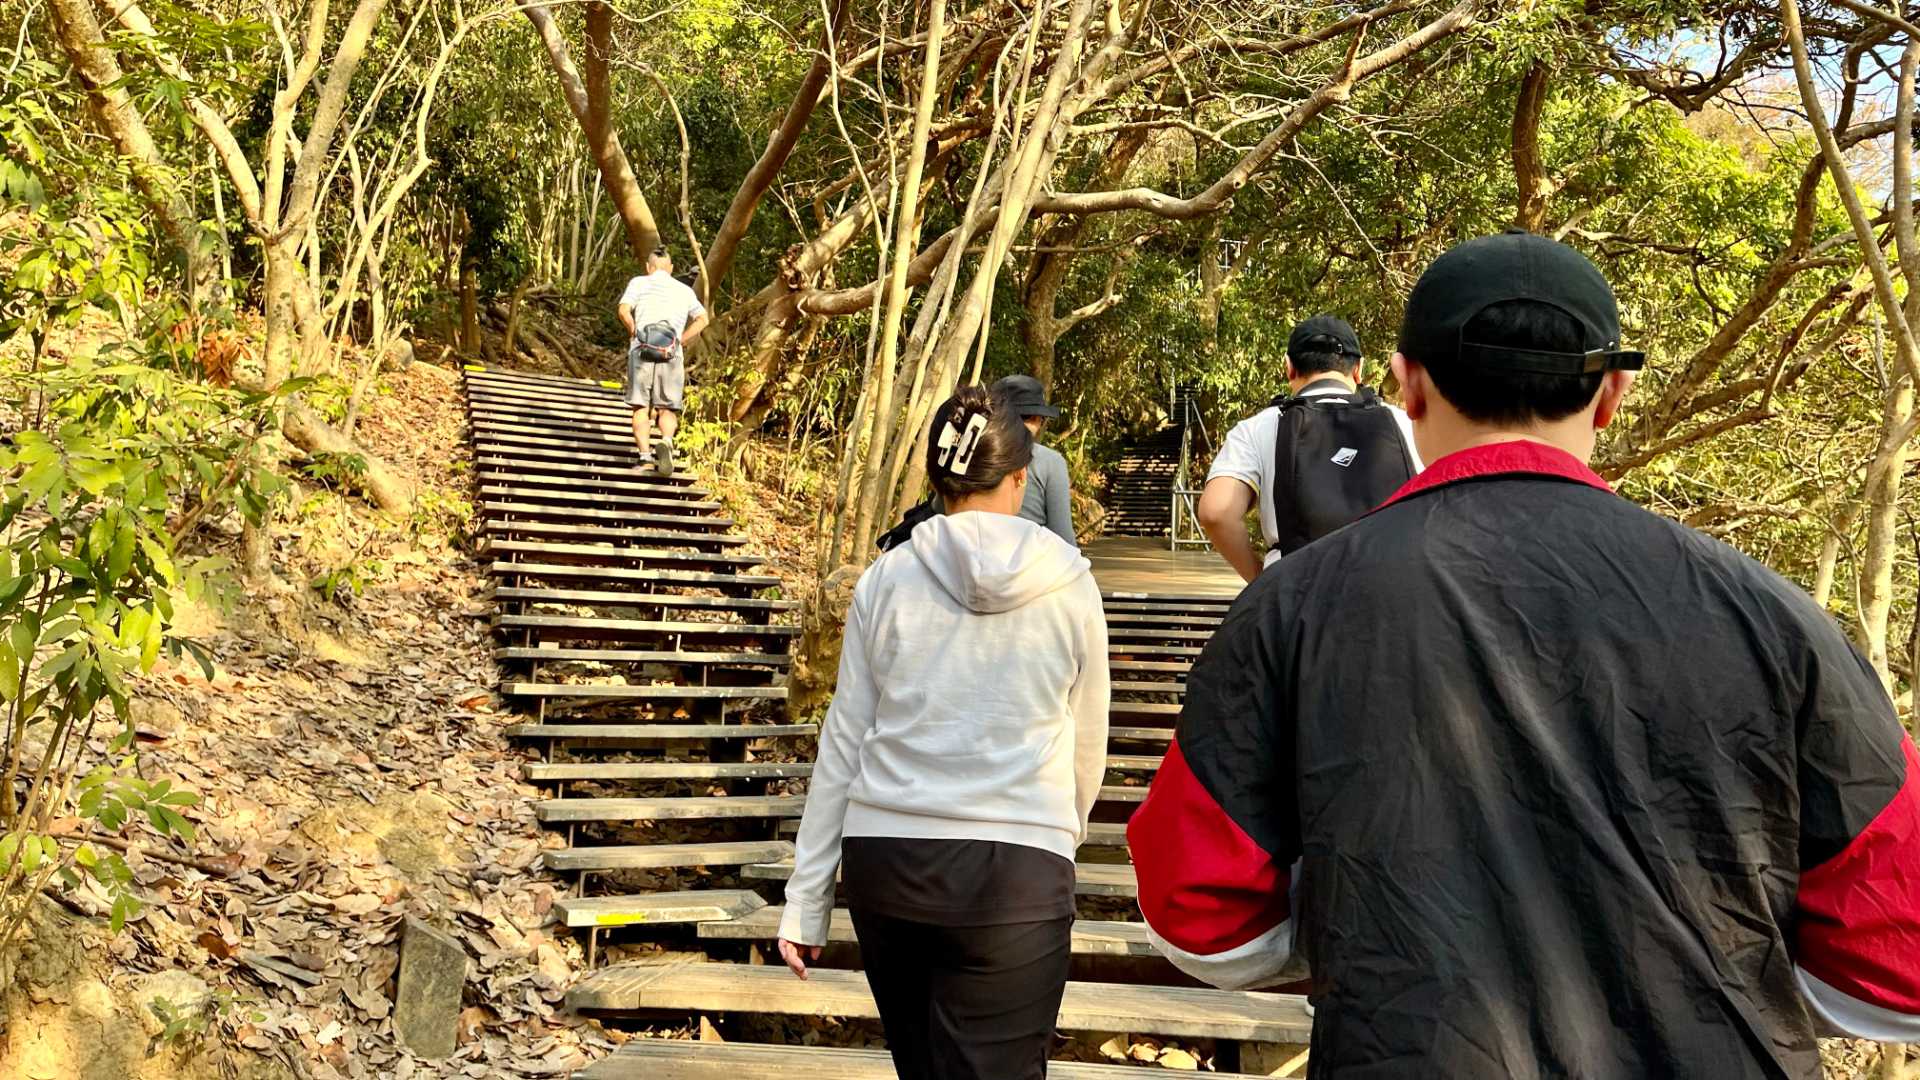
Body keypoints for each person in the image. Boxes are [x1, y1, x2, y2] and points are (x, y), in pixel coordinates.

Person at [1128, 231, 1920, 1077]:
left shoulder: (1291, 607)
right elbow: (1897, 958)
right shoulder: (1774, 616)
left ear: (1410, 382)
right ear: (1611, 393)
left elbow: (1196, 905)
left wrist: (1357, 940)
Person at [776, 384, 1111, 1080]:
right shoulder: (1071, 585)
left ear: (937, 480)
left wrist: (807, 901)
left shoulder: (886, 579)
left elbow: (843, 742)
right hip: (1017, 870)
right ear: (1022, 476)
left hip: (888, 863)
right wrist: (1058, 838)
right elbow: (1088, 742)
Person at [1196, 315, 1421, 582]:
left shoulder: (1259, 427)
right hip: (1387, 594)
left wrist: (1261, 583)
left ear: (1289, 367)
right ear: (1359, 369)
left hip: (1292, 594)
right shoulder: (1404, 423)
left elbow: (1216, 512)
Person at [616, 246, 707, 477]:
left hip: (642, 351)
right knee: (667, 408)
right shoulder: (684, 290)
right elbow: (703, 319)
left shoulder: (638, 283)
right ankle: (666, 440)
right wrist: (681, 340)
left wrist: (634, 330)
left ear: (649, 267)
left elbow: (623, 310)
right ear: (672, 269)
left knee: (640, 407)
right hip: (671, 354)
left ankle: (645, 458)